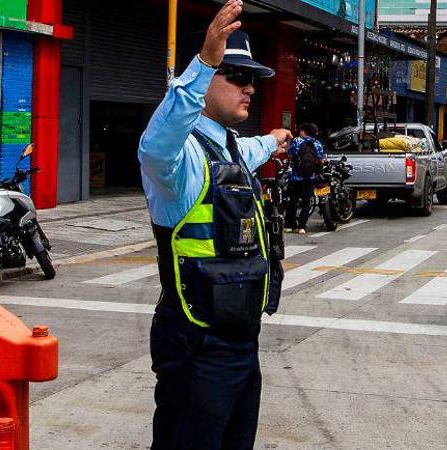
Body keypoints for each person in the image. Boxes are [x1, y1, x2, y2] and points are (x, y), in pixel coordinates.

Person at [136, 2, 293, 448]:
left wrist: (276, 140)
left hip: (243, 338)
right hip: (197, 343)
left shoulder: (233, 150)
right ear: (205, 83)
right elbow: (155, 146)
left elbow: (255, 149)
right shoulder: (179, 159)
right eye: (237, 77)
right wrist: (204, 62)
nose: (250, 89)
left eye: (253, 81)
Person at [285, 122, 325, 234]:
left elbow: (290, 154)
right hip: (309, 177)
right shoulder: (317, 144)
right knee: (306, 202)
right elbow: (321, 160)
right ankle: (302, 227)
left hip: (295, 177)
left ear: (303, 131)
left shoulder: (297, 141)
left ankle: (289, 225)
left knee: (292, 201)